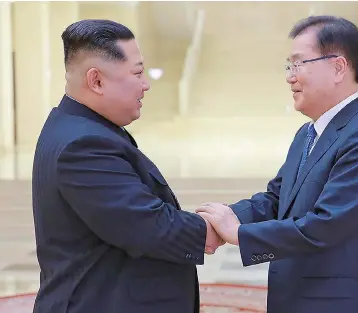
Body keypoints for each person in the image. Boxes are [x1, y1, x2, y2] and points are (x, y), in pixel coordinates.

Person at [196, 15, 358, 313]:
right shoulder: (308, 133)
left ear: (338, 67)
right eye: (288, 66)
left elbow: (326, 225)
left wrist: (238, 234)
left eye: (299, 64)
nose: (290, 76)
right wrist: (216, 221)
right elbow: (277, 200)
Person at [31, 19, 223, 313]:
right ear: (96, 80)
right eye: (137, 73)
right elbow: (150, 227)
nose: (145, 85)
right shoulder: (83, 146)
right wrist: (216, 229)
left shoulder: (83, 127)